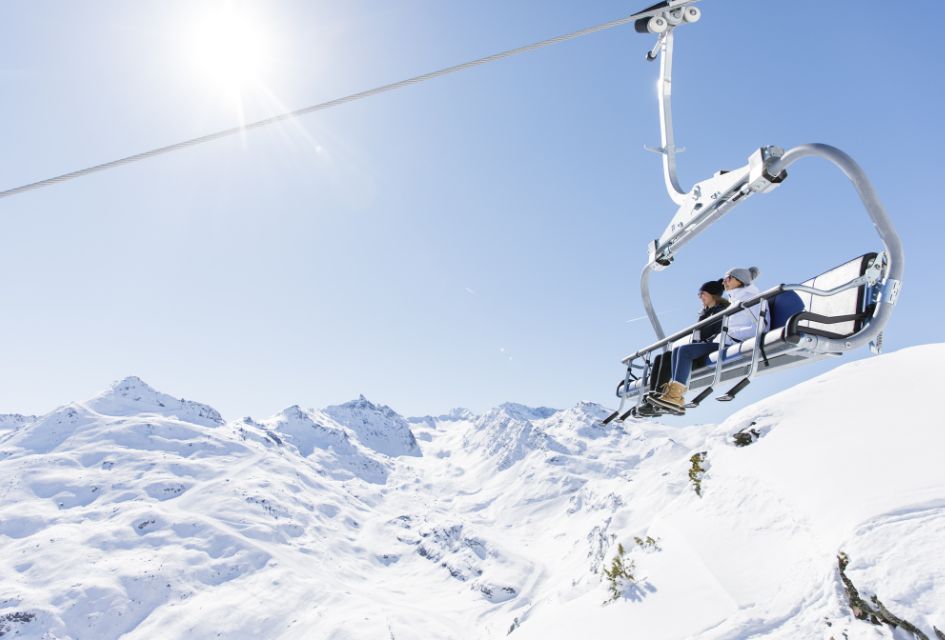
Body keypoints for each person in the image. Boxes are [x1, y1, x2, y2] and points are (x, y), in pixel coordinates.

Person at [650, 266, 764, 414]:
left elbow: (759, 326)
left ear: (739, 280)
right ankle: (671, 395)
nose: (724, 282)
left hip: (734, 341)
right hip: (725, 340)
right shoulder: (736, 299)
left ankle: (675, 396)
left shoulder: (751, 299)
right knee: (679, 350)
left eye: (728, 278)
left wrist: (731, 335)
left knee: (684, 351)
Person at [635, 279, 730, 417]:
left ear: (713, 295)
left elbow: (715, 333)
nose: (700, 297)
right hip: (703, 345)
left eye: (702, 293)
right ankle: (655, 395)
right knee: (662, 357)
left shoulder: (720, 312)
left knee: (681, 351)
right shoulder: (706, 312)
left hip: (716, 344)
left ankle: (670, 396)